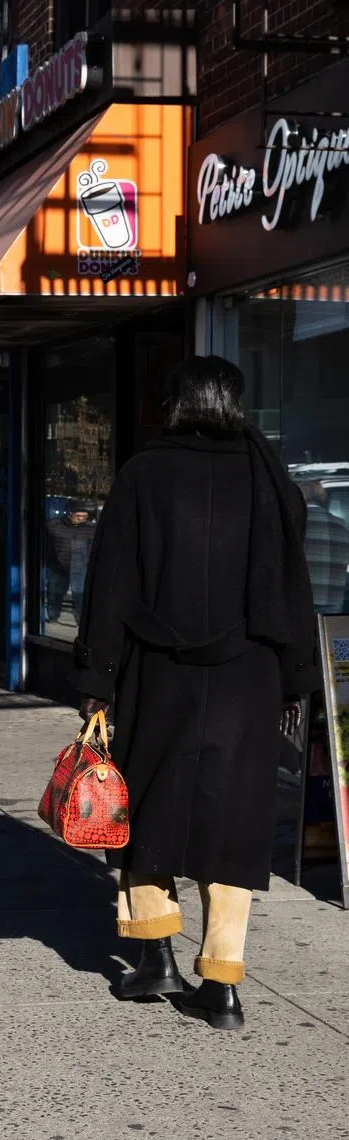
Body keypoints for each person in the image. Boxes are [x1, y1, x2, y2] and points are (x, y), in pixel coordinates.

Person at [74, 355, 317, 1031]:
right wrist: (295, 678)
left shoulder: (143, 475)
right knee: (235, 822)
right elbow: (293, 587)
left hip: (159, 669)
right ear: (235, 402)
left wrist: (96, 682)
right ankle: (223, 983)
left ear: (176, 402)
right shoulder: (271, 481)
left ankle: (155, 959)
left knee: (147, 803)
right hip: (250, 674)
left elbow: (112, 588)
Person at [299, 481, 349, 614]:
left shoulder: (295, 524)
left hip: (302, 598)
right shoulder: (342, 526)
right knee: (330, 634)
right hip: (333, 599)